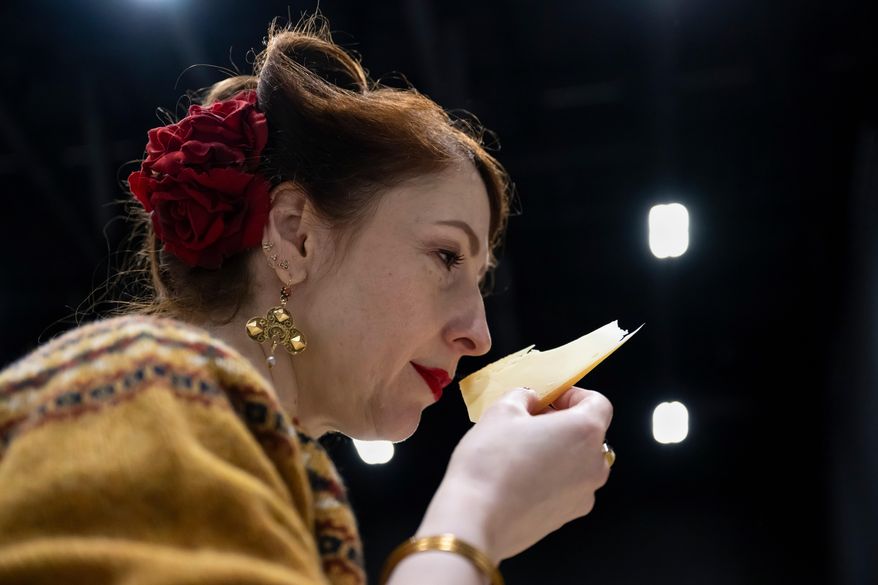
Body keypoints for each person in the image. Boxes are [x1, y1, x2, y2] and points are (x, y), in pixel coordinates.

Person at [0, 16, 614, 585]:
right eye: (448, 256)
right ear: (295, 234)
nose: (479, 335)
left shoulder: (297, 489)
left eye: (478, 278)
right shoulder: (141, 381)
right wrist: (475, 513)